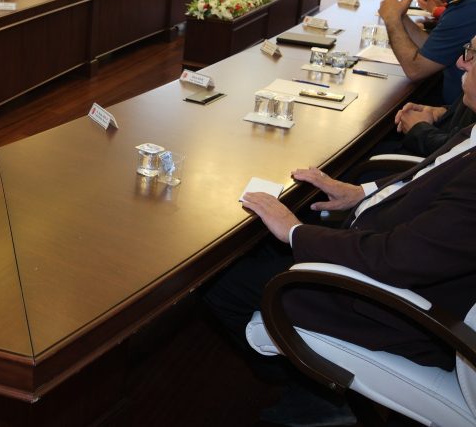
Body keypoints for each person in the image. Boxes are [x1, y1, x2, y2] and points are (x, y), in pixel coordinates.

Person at [204, 33, 476, 426]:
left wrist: (294, 232)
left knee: (223, 281)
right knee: (260, 247)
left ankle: (318, 395)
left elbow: (396, 259)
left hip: (392, 308)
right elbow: (427, 178)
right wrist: (360, 193)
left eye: (472, 54)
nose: (461, 63)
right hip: (390, 252)